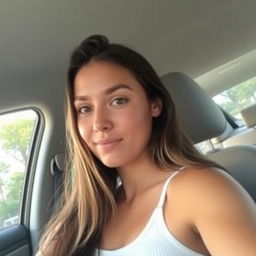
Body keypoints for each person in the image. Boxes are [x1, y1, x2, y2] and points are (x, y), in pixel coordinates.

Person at [37, 35, 256, 256]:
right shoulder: (79, 218)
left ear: (155, 105)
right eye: (84, 109)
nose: (99, 123)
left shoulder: (199, 188)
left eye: (118, 100)